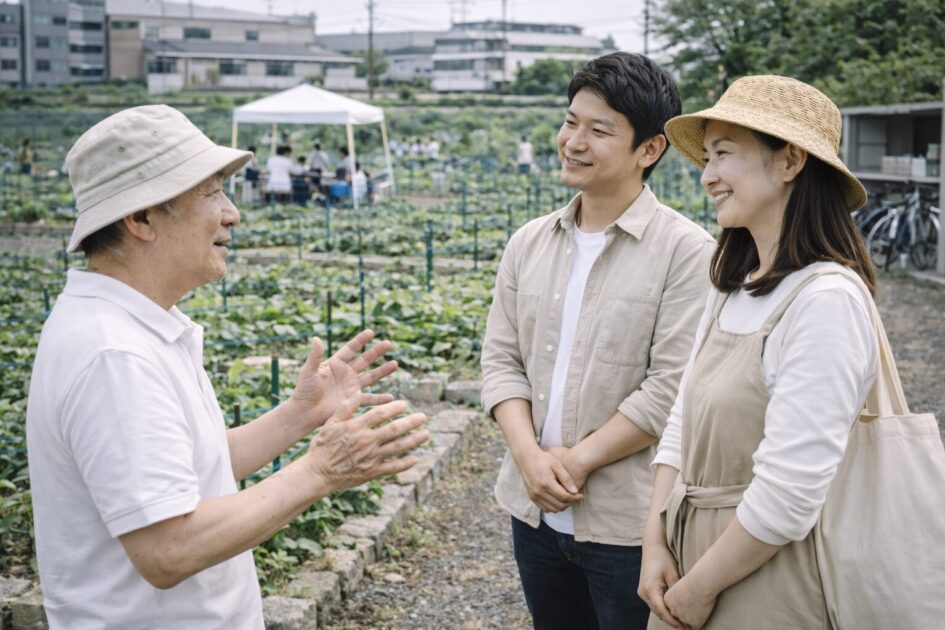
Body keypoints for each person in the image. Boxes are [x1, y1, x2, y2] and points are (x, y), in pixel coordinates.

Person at [26, 104, 430, 627]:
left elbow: (198, 469)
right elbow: (169, 548)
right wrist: (320, 470)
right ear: (142, 218)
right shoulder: (114, 355)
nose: (232, 212)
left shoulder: (141, 325)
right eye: (211, 192)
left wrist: (299, 414)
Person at [480, 52, 715, 629]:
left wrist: (574, 462)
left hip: (629, 525)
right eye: (570, 122)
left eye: (599, 130)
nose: (574, 141)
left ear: (649, 149)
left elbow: (672, 388)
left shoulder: (687, 253)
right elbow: (500, 360)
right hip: (533, 517)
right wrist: (528, 457)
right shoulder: (529, 242)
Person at [639, 76, 878, 630]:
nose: (707, 175)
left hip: (763, 575)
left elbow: (789, 492)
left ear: (790, 161)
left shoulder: (826, 301)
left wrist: (699, 590)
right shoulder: (733, 285)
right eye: (708, 157)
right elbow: (682, 422)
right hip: (684, 561)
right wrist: (654, 541)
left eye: (724, 153)